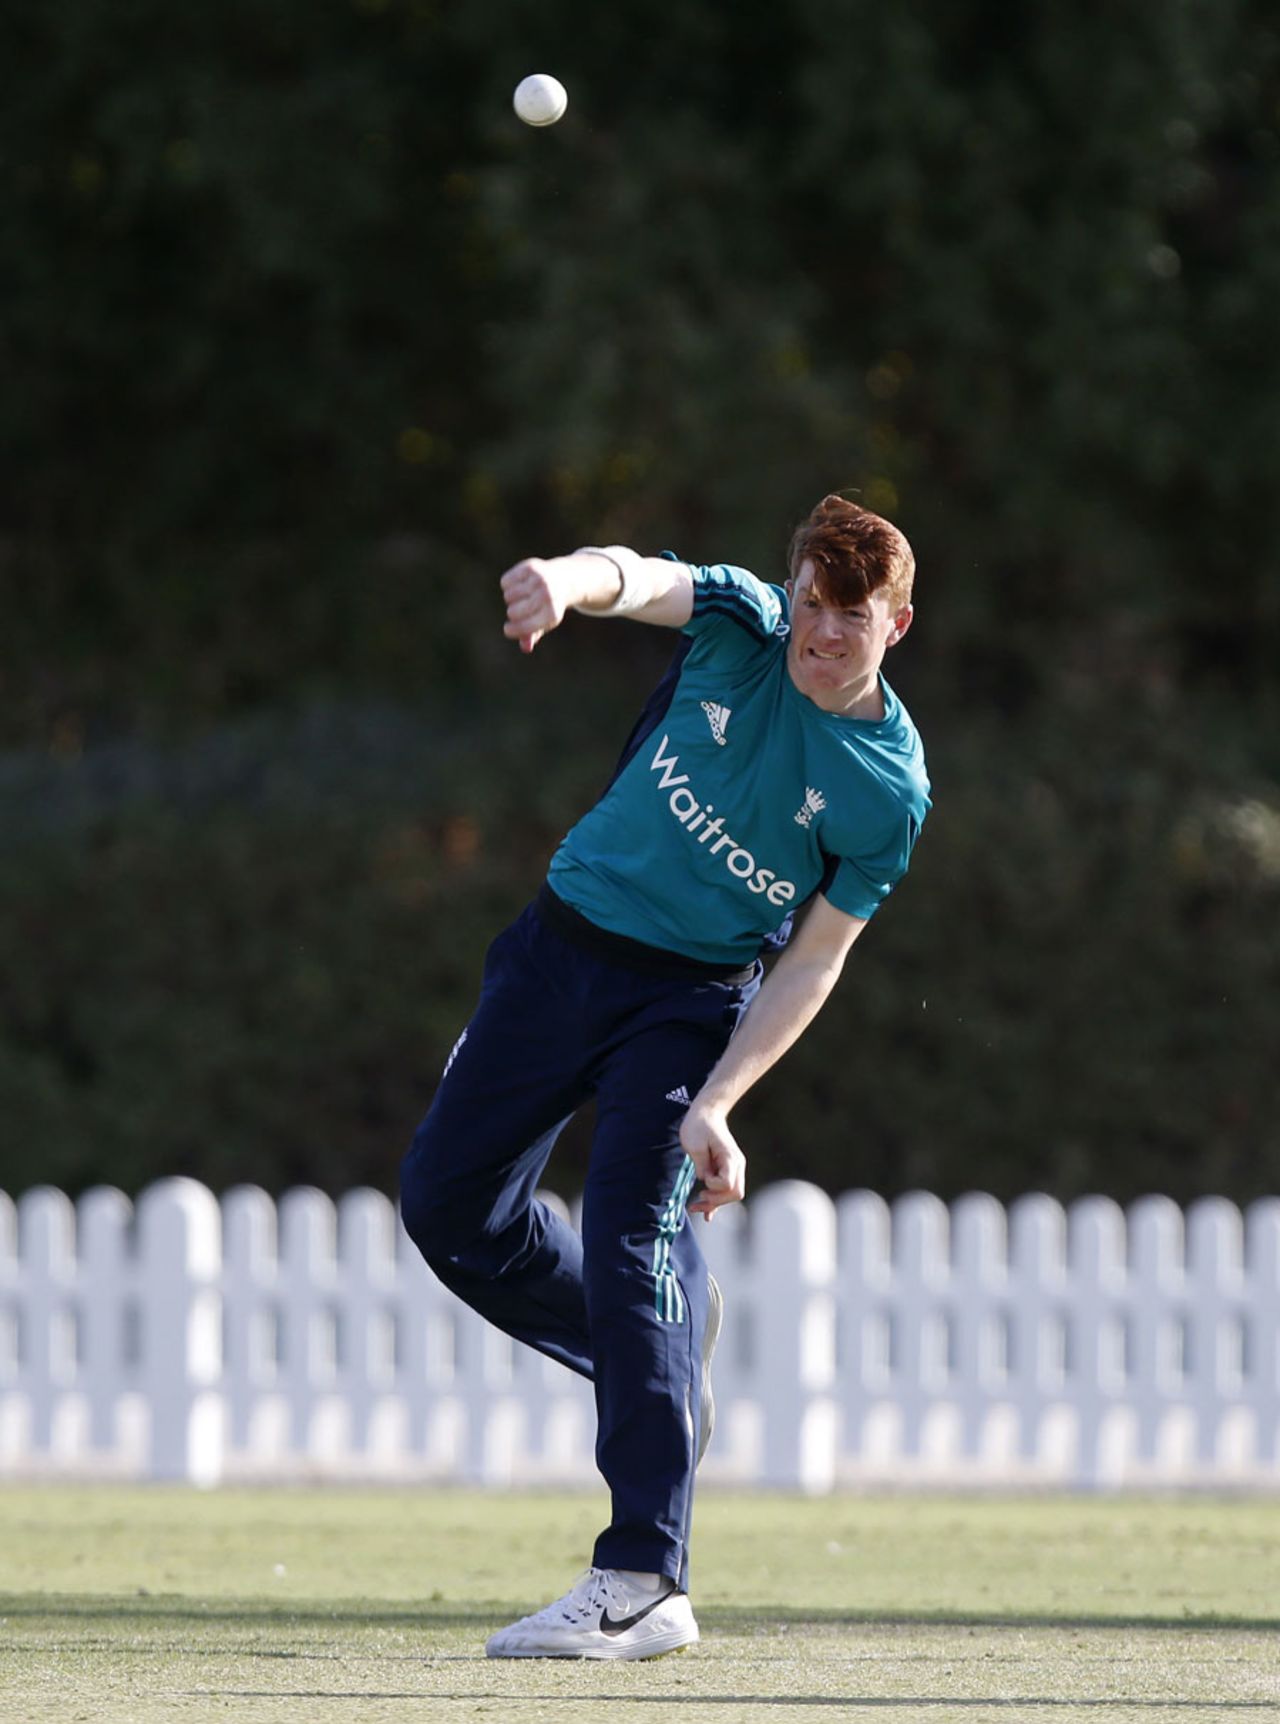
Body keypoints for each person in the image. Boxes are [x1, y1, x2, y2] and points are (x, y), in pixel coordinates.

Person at [399, 493, 930, 1660]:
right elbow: (638, 575)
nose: (819, 632)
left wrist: (720, 1100)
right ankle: (654, 1339)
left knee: (634, 1240)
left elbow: (816, 959)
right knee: (443, 1207)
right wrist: (562, 577)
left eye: (850, 615)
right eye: (810, 603)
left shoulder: (886, 789)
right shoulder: (743, 623)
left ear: (897, 622)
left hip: (689, 1001)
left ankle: (641, 1575)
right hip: (557, 948)